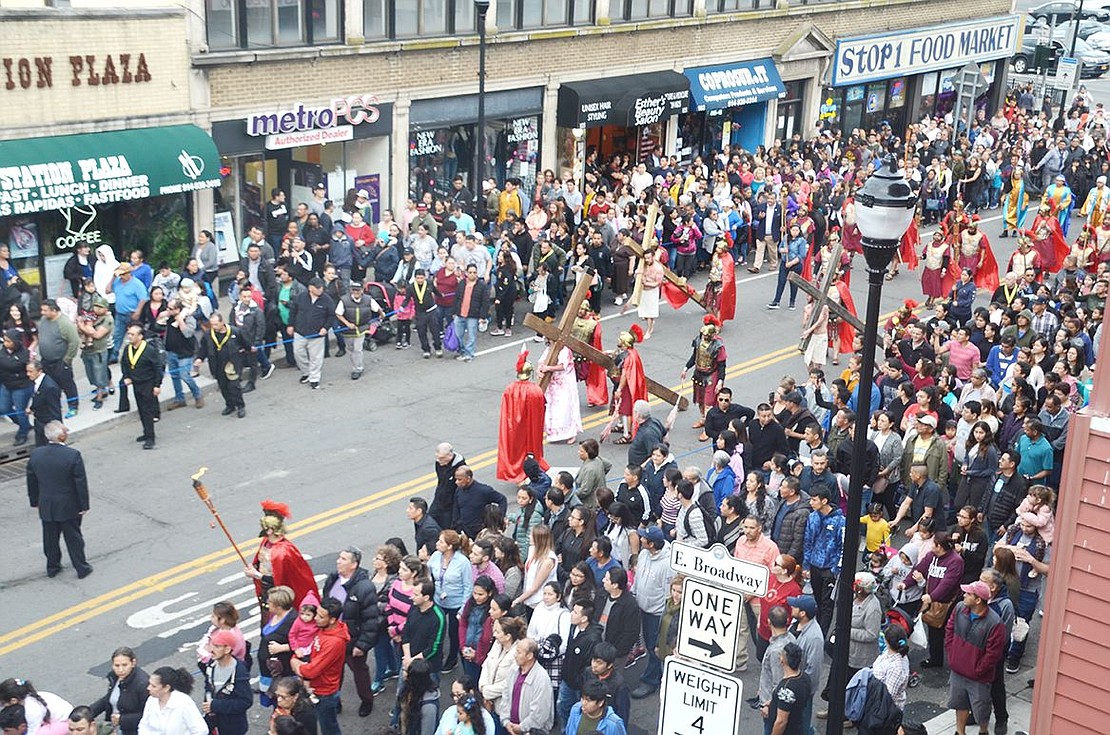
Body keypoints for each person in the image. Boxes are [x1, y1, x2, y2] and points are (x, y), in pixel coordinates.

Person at [320, 546, 381, 717]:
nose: (339, 561)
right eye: (339, 557)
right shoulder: (333, 579)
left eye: (344, 559)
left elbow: (371, 619)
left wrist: (362, 644)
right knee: (333, 672)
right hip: (332, 637)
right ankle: (334, 700)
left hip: (351, 639)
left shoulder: (364, 587)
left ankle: (367, 701)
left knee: (359, 671)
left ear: (354, 565)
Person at [27, 421, 92, 579]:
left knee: (50, 539)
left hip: (47, 504)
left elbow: (32, 481)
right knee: (74, 538)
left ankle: (53, 567)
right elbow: (80, 483)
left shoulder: (36, 454)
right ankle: (81, 567)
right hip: (68, 505)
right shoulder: (72, 455)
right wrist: (84, 505)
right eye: (65, 430)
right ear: (62, 436)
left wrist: (35, 501)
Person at [945, 581, 1008, 735]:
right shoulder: (960, 608)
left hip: (978, 678)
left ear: (978, 600)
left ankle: (983, 730)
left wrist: (977, 670)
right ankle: (960, 732)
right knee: (960, 704)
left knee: (981, 710)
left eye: (968, 593)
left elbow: (993, 654)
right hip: (958, 671)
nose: (964, 595)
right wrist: (952, 655)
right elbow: (949, 630)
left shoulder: (995, 623)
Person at [245, 501, 318, 613]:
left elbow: (280, 580)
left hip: (278, 596)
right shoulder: (266, 542)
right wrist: (254, 568)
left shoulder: (284, 551)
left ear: (270, 530)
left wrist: (256, 575)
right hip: (267, 593)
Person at [291, 598, 350, 735]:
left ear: (332, 620)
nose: (315, 618)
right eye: (317, 614)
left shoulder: (334, 643)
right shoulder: (324, 630)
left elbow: (311, 672)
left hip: (324, 692)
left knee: (329, 729)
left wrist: (295, 664)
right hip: (316, 688)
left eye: (321, 616)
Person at [629, 526, 673, 698]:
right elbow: (639, 577)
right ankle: (657, 674)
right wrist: (634, 592)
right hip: (642, 607)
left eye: (644, 538)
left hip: (656, 612)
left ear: (652, 543)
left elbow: (668, 592)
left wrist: (663, 614)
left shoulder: (667, 564)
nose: (640, 540)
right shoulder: (644, 554)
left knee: (655, 646)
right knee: (648, 644)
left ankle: (651, 680)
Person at [496, 351, 550, 482]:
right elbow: (541, 409)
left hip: (513, 426)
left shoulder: (510, 388)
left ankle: (515, 470)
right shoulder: (535, 390)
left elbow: (506, 410)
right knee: (530, 447)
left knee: (515, 447)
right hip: (530, 426)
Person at [429, 531, 473, 673]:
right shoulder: (436, 557)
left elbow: (468, 586)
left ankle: (452, 659)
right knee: (437, 631)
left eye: (441, 542)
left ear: (449, 546)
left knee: (454, 633)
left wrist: (462, 610)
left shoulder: (463, 562)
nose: (437, 543)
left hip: (456, 603)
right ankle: (437, 657)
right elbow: (427, 572)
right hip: (438, 599)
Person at [802, 486, 844, 635]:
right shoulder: (812, 517)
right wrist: (806, 565)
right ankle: (815, 630)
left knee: (827, 604)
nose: (811, 502)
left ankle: (821, 634)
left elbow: (842, 546)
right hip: (814, 565)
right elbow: (807, 541)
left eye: (814, 499)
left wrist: (836, 570)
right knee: (818, 600)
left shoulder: (840, 521)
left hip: (830, 569)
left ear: (824, 500)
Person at [193, 313, 248, 419]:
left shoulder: (234, 331)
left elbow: (244, 343)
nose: (213, 327)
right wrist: (200, 358)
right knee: (223, 387)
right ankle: (230, 405)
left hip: (232, 364)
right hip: (217, 365)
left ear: (222, 322)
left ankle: (240, 406)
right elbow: (203, 348)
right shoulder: (208, 334)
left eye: (216, 324)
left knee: (234, 386)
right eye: (212, 324)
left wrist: (248, 350)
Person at [495, 638, 554, 735]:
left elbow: (539, 713)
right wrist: (506, 721)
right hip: (510, 728)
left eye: (519, 652)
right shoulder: (513, 670)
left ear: (530, 656)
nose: (515, 655)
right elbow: (505, 696)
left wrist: (521, 727)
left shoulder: (542, 679)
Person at [118, 325, 163, 450]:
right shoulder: (128, 349)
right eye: (129, 334)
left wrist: (157, 385)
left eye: (132, 334)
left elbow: (157, 368)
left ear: (140, 336)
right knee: (141, 409)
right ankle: (146, 432)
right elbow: (124, 364)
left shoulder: (149, 350)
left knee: (147, 410)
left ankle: (150, 437)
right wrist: (126, 376)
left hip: (147, 383)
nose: (129, 336)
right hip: (136, 383)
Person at [201, 630, 252, 735]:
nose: (211, 650)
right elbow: (208, 686)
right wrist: (208, 704)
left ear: (227, 649)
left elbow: (245, 701)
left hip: (232, 727)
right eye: (212, 645)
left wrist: (215, 705)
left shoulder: (239, 672)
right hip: (213, 722)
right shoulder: (211, 664)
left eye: (217, 646)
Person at [88, 647, 150, 735]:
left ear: (133, 663)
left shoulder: (142, 684)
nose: (120, 670)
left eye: (125, 665)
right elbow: (109, 699)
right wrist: (87, 713)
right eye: (116, 665)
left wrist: (122, 720)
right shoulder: (115, 677)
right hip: (113, 728)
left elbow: (148, 715)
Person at [681, 316, 728, 431]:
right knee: (700, 400)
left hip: (711, 375)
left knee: (708, 403)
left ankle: (708, 428)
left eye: (707, 335)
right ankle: (703, 418)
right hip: (699, 374)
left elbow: (722, 365)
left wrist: (720, 381)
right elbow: (694, 356)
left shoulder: (718, 346)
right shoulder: (698, 341)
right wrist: (686, 368)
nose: (704, 337)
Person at [137, 667, 207, 735]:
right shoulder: (151, 700)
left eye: (153, 686)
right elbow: (144, 725)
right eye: (149, 684)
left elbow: (201, 730)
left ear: (166, 688)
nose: (148, 688)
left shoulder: (184, 703)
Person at [537, 339, 582, 444]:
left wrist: (548, 368)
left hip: (564, 383)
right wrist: (540, 369)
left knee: (566, 407)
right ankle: (553, 432)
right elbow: (541, 361)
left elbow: (563, 366)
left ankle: (571, 433)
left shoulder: (565, 350)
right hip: (552, 384)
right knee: (552, 408)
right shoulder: (549, 349)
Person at [762, 642, 811, 735]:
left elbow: (781, 721)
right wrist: (773, 704)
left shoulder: (786, 689)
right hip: (798, 726)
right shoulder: (805, 678)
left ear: (782, 661)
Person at [612, 326, 648, 443]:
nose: (618, 340)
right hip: (631, 385)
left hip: (627, 387)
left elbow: (625, 375)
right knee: (623, 408)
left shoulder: (628, 357)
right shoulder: (633, 353)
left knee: (626, 410)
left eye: (620, 339)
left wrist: (619, 389)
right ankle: (622, 426)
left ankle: (627, 435)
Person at [27, 360, 62, 448]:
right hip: (39, 421)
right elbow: (38, 399)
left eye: (31, 371)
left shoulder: (50, 387)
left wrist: (57, 429)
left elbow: (55, 410)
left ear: (39, 371)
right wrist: (32, 408)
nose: (28, 374)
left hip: (47, 424)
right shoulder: (36, 382)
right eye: (27, 371)